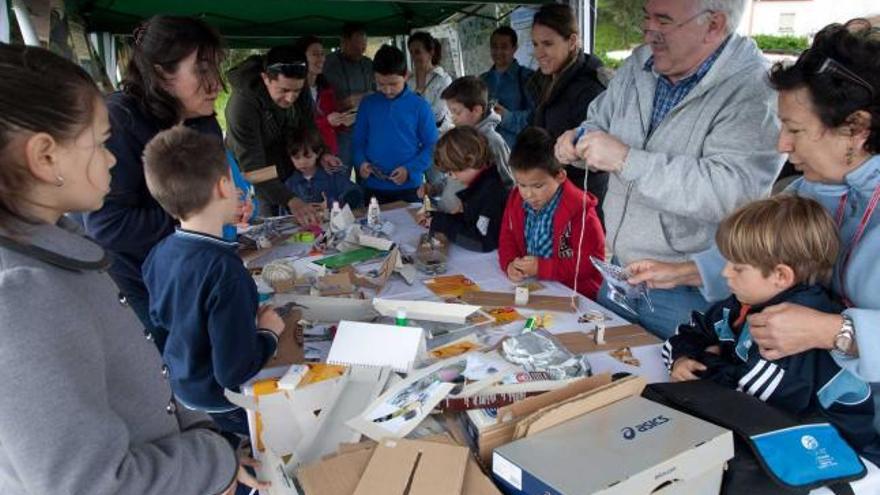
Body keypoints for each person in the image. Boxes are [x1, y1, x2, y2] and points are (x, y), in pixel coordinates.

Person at [0, 43, 266, 495]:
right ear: (45, 156)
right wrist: (212, 460)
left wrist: (205, 441)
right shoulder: (23, 295)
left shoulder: (56, 253)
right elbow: (93, 483)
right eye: (101, 144)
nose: (111, 159)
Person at [627, 20, 880, 424]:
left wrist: (833, 332)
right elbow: (759, 251)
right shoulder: (809, 189)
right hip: (805, 414)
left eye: (795, 129)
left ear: (856, 129)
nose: (782, 144)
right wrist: (683, 271)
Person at [555, 0, 784, 337]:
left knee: (671, 387)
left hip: (689, 290)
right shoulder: (639, 64)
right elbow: (599, 120)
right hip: (621, 270)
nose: (648, 30)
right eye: (646, 16)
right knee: (607, 375)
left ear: (714, 25)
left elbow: (732, 193)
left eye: (663, 20)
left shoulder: (753, 90)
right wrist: (578, 140)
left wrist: (626, 160)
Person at [664, 195, 880, 464]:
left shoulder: (796, 332)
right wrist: (682, 359)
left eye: (738, 268)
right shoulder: (744, 301)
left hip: (832, 449)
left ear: (781, 276)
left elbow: (747, 400)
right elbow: (690, 330)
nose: (725, 273)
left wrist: (706, 360)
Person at [83, 16, 240, 350]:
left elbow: (208, 191)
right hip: (139, 281)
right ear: (159, 73)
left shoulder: (203, 119)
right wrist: (200, 216)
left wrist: (229, 205)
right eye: (200, 70)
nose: (216, 85)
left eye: (216, 69)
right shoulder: (120, 121)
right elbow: (107, 225)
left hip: (187, 273)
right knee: (171, 371)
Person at [142, 126, 284, 439]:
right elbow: (233, 372)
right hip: (226, 405)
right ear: (222, 187)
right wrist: (268, 333)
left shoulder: (159, 253)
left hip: (182, 391)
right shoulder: (226, 272)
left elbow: (162, 318)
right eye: (236, 181)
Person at [225, 45, 341, 225]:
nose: (290, 98)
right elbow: (254, 169)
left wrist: (323, 152)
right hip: (253, 178)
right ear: (265, 79)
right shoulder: (242, 107)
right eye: (284, 90)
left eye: (296, 91)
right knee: (269, 226)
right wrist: (291, 200)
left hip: (287, 168)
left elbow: (308, 128)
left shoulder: (299, 89)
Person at [498, 127, 604, 299]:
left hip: (574, 295)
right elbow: (507, 236)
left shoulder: (580, 210)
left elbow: (591, 263)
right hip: (534, 288)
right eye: (522, 185)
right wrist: (510, 263)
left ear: (560, 176)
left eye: (538, 186)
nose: (528, 194)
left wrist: (543, 268)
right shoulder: (516, 199)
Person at [527, 4, 606, 207]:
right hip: (553, 195)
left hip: (582, 200)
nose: (539, 53)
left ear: (571, 41)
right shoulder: (543, 81)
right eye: (535, 44)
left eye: (547, 44)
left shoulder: (590, 88)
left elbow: (593, 160)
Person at [353, 45, 439, 204]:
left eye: (393, 84)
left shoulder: (419, 106)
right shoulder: (368, 104)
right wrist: (361, 162)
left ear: (406, 75)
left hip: (410, 187)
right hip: (374, 187)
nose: (387, 90)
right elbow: (358, 142)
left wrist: (410, 169)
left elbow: (432, 146)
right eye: (381, 83)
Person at [418, 127, 508, 252]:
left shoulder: (491, 191)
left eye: (454, 171)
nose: (452, 177)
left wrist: (443, 223)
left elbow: (482, 242)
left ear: (470, 161)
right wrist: (436, 218)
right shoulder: (480, 185)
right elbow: (469, 223)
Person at [441, 75, 513, 185]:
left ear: (476, 110)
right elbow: (453, 177)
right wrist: (436, 188)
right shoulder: (460, 138)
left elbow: (508, 183)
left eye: (457, 112)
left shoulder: (493, 142)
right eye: (450, 112)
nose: (453, 117)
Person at [323, 23, 375, 171]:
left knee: (367, 175)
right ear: (343, 42)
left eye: (363, 47)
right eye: (356, 47)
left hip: (366, 130)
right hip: (341, 133)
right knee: (340, 173)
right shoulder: (330, 63)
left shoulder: (368, 64)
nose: (361, 51)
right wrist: (347, 101)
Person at [297, 35, 355, 156]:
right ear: (302, 58)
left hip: (329, 154)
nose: (321, 58)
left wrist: (343, 121)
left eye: (322, 54)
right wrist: (327, 121)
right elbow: (296, 127)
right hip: (306, 157)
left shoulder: (327, 88)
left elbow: (333, 125)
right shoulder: (294, 91)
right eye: (315, 54)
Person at [481, 26, 536, 149]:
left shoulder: (528, 78)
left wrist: (506, 117)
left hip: (517, 151)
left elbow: (536, 116)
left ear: (514, 48)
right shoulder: (482, 80)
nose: (498, 51)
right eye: (494, 46)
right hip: (488, 152)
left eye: (504, 47)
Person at [284, 126, 363, 209]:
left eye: (308, 156)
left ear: (318, 153)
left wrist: (333, 204)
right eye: (296, 158)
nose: (302, 162)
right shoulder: (290, 184)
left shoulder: (332, 176)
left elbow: (355, 193)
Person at [407, 32, 454, 133]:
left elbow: (437, 114)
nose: (413, 57)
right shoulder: (409, 79)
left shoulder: (443, 79)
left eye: (418, 52)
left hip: (436, 133)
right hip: (413, 133)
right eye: (411, 52)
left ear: (431, 52)